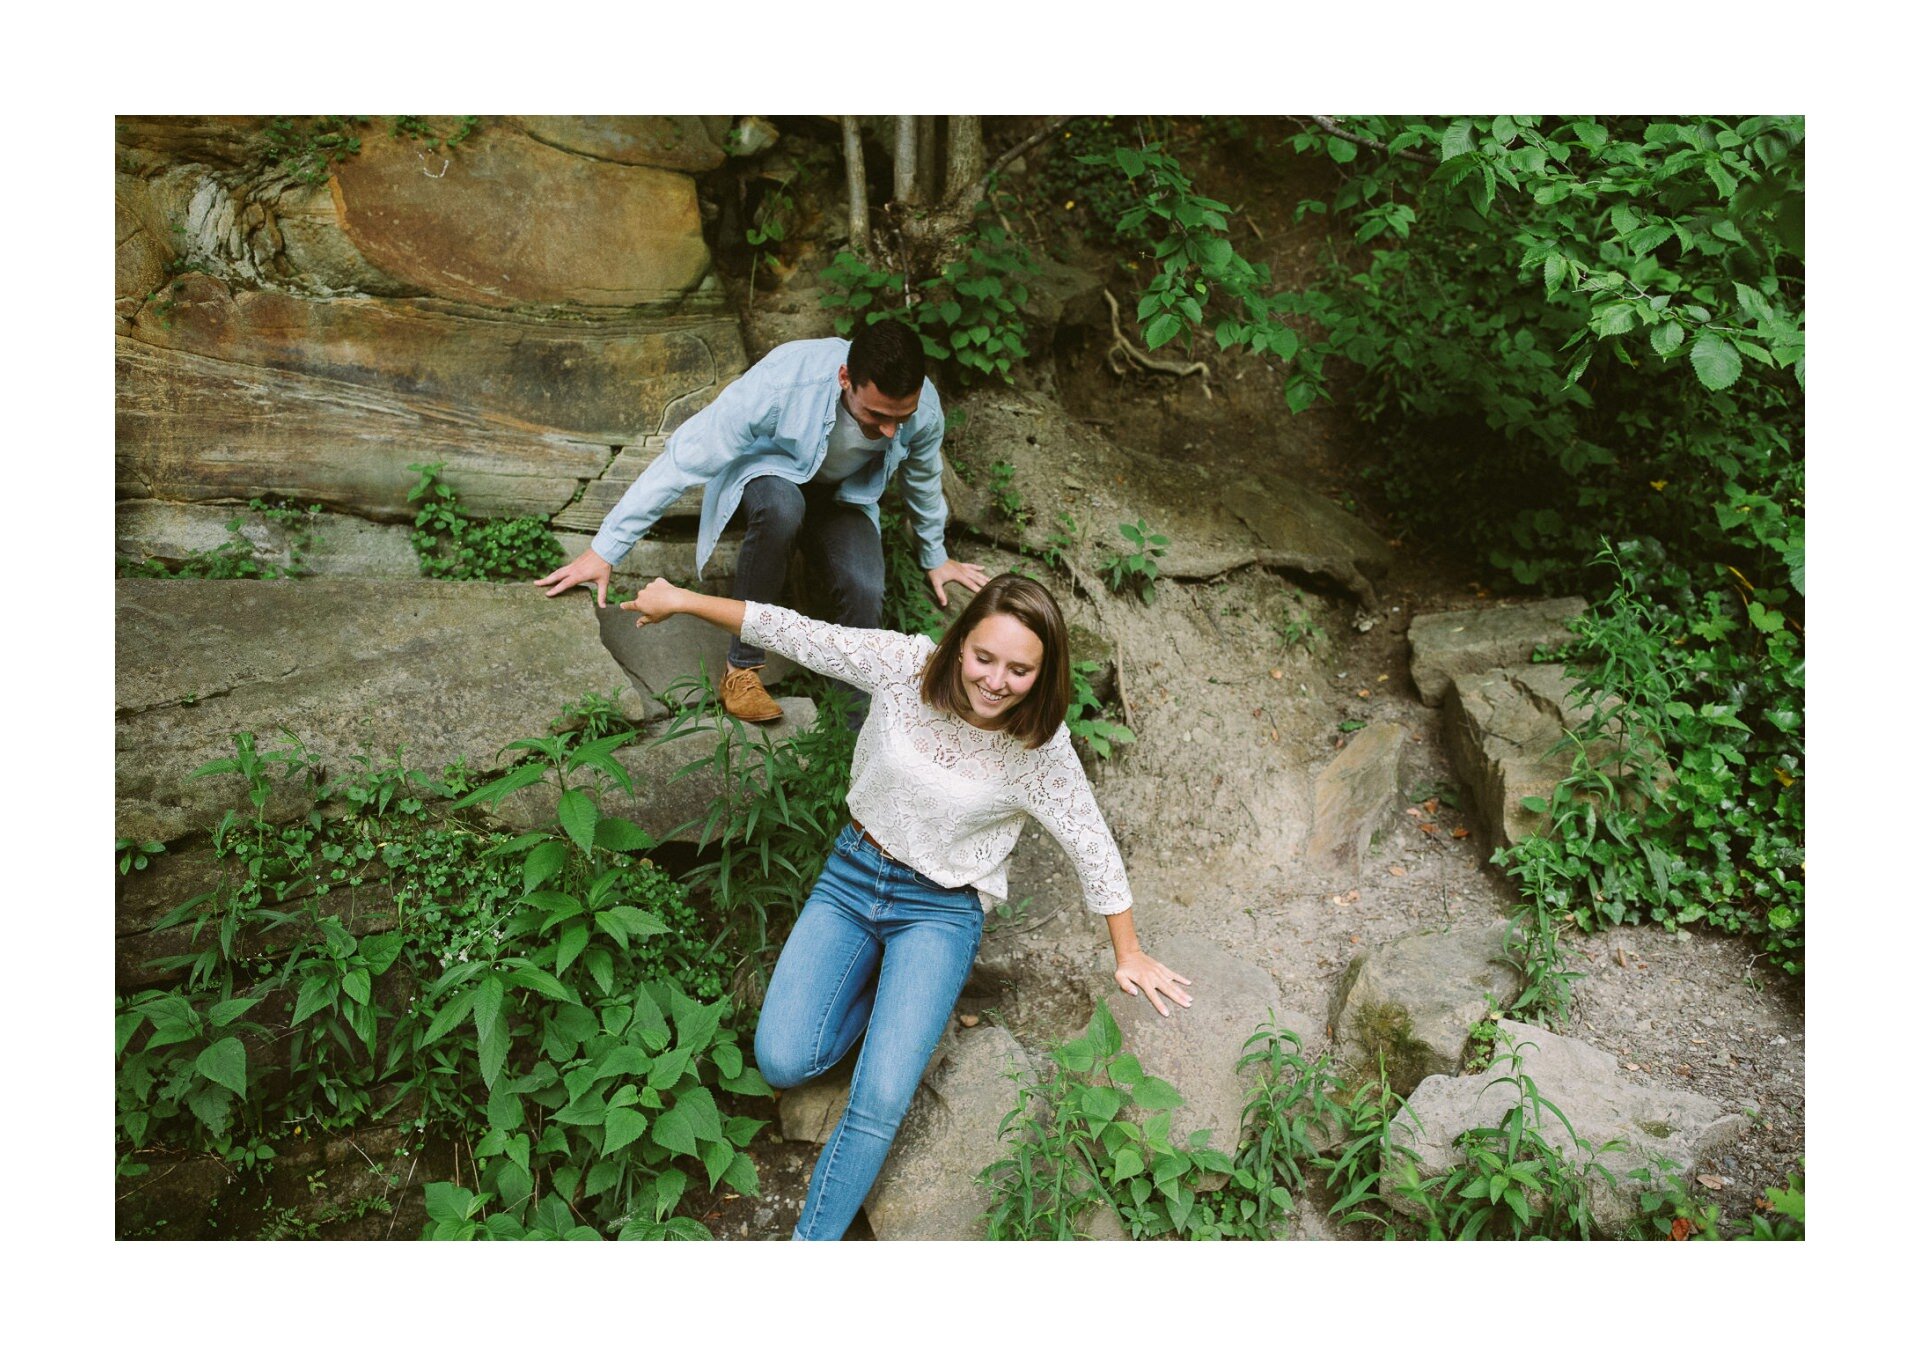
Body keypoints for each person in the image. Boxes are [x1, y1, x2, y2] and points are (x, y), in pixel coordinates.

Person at [619, 570, 1193, 1240]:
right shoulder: (902, 665)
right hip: (851, 878)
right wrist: (681, 600)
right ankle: (898, 999)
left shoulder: (1041, 748)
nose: (995, 681)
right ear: (958, 645)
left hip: (939, 912)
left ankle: (810, 1243)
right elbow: (797, 633)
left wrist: (1129, 951)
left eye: (1019, 669)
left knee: (882, 1095)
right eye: (984, 657)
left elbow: (1090, 842)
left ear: (1043, 673)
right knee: (782, 1059)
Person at [536, 319, 991, 725]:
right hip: (768, 477)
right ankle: (742, 669)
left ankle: (854, 725)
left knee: (865, 585)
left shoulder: (923, 409)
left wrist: (935, 555)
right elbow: (686, 456)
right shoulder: (785, 380)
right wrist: (605, 549)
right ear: (845, 377)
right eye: (877, 415)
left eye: (901, 418)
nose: (890, 430)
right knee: (781, 507)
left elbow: (924, 476)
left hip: (844, 497)